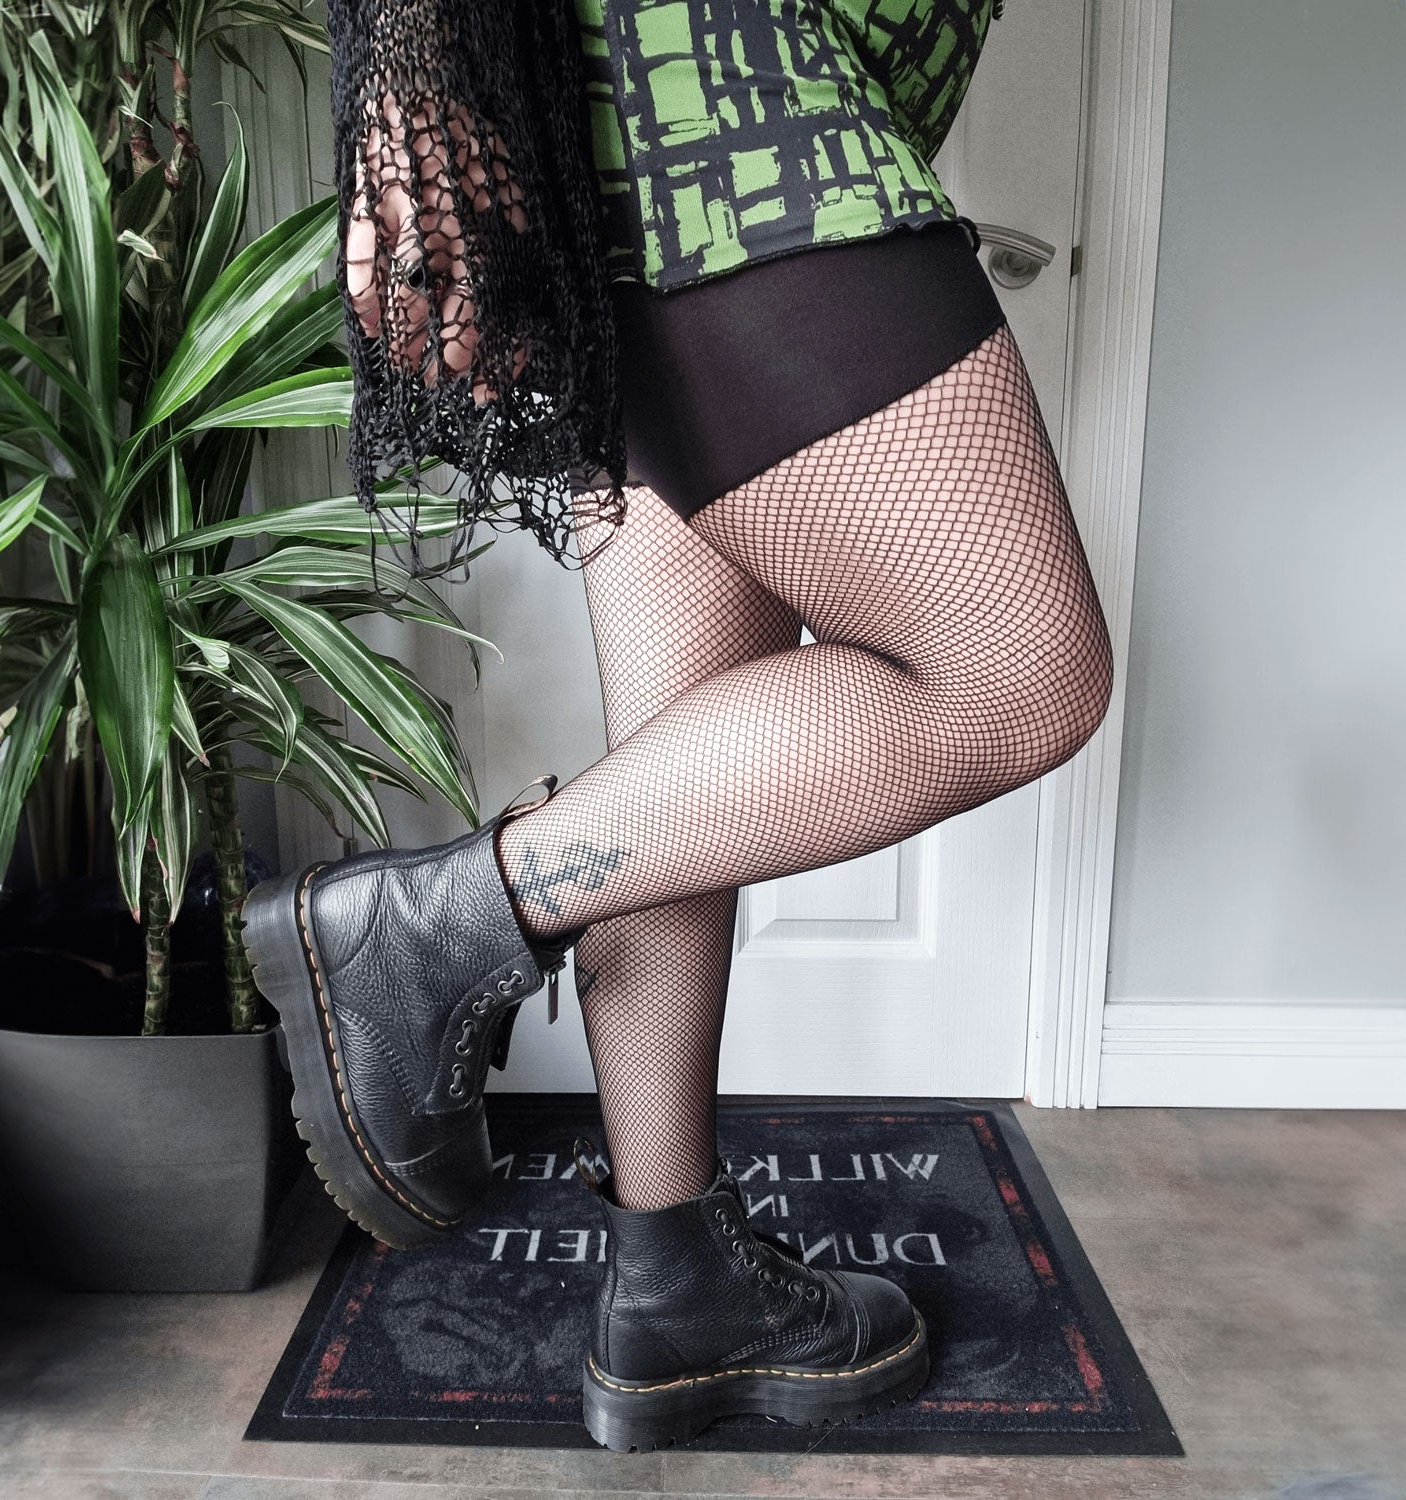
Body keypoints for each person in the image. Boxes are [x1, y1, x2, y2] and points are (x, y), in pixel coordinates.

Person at [242, 0, 1114, 1451]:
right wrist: (407, 76)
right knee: (1023, 675)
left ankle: (673, 1280)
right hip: (724, 90)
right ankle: (441, 921)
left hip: (663, 116)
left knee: (677, 767)